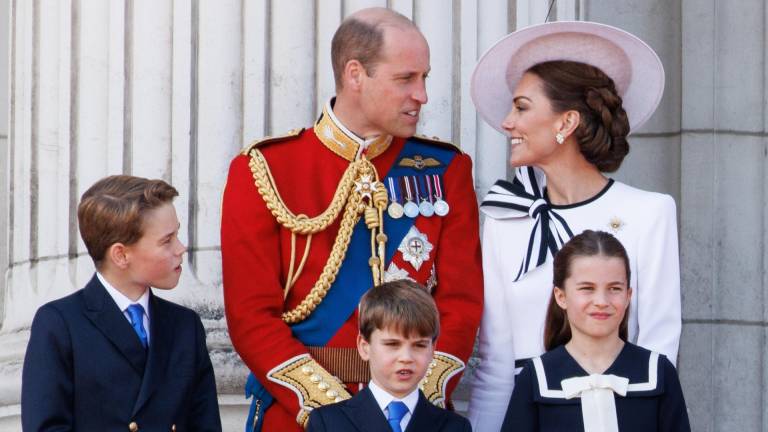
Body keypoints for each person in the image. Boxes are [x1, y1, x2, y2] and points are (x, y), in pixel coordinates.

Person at [221, 7, 483, 431]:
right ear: (355, 74)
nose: (422, 95)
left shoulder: (443, 169)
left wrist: (414, 401)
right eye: (406, 79)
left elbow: (461, 304)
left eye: (424, 77)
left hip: (412, 413)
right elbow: (251, 317)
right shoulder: (265, 169)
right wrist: (336, 415)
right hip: (302, 417)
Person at [467, 21, 681, 431]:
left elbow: (659, 350)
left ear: (566, 122)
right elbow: (495, 366)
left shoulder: (649, 212)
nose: (507, 122)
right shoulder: (504, 220)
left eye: (522, 107)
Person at [21, 175, 222, 431]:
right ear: (121, 254)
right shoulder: (60, 324)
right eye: (166, 240)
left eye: (177, 235)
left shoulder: (185, 326)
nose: (181, 248)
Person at [501, 230, 690, 431]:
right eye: (587, 288)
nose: (601, 301)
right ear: (561, 296)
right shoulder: (536, 377)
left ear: (628, 295)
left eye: (614, 288)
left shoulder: (658, 373)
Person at [306, 280, 472, 432]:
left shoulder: (455, 427)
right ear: (365, 347)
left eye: (419, 345)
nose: (406, 357)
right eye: (392, 345)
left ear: (432, 350)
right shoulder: (328, 423)